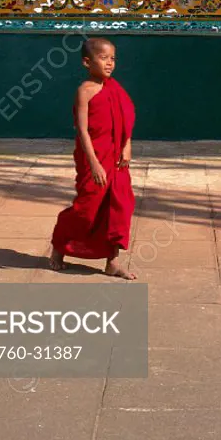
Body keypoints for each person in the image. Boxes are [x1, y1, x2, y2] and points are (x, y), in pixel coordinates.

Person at [50, 37, 137, 279]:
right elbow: (83, 130)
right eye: (103, 58)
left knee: (119, 207)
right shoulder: (84, 92)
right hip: (93, 159)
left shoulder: (115, 89)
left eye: (113, 59)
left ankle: (113, 262)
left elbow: (125, 120)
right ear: (87, 62)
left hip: (117, 160)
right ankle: (59, 247)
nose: (110, 63)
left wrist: (127, 146)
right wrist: (94, 163)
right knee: (86, 209)